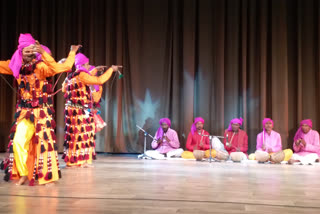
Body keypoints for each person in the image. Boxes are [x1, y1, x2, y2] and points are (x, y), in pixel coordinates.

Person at [0, 33, 80, 185]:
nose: (29, 52)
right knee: (18, 142)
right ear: (21, 51)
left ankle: (46, 176)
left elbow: (63, 67)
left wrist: (71, 53)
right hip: (24, 113)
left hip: (42, 113)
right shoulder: (15, 65)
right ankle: (24, 173)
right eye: (26, 50)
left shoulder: (42, 66)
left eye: (32, 50)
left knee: (43, 144)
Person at [62, 53, 121, 167]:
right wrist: (111, 70)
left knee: (75, 135)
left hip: (72, 110)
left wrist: (95, 70)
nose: (89, 67)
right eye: (88, 64)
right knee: (82, 135)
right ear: (83, 64)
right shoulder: (82, 75)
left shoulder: (70, 76)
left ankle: (77, 160)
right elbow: (99, 80)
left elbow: (64, 88)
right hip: (79, 111)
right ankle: (79, 161)